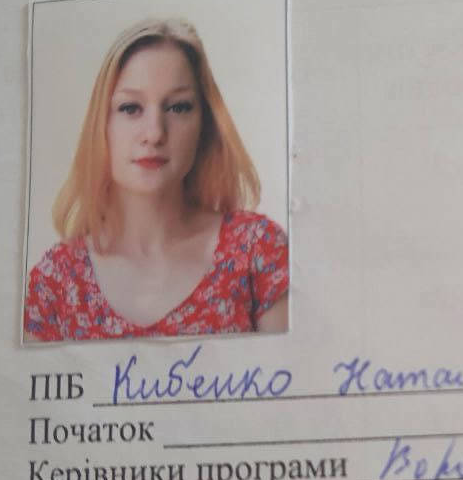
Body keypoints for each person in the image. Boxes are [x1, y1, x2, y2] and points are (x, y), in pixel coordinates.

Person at [25, 18, 287, 341]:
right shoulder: (55, 283)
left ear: (204, 125)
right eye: (130, 108)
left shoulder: (257, 250)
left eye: (178, 107)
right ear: (101, 125)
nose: (154, 133)